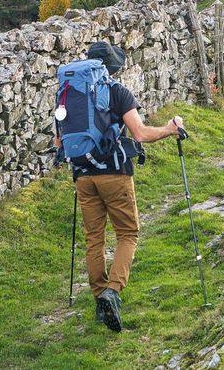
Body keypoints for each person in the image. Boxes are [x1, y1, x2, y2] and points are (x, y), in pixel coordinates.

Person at [57, 41, 184, 333]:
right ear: (112, 67)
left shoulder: (67, 94)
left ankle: (99, 300)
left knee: (94, 238)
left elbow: (59, 141)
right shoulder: (117, 91)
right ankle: (113, 292)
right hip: (114, 174)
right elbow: (139, 133)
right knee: (127, 234)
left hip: (83, 176)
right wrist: (170, 129)